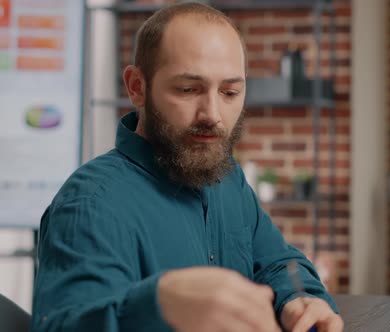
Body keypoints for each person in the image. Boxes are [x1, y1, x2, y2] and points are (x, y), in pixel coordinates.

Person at [31, 3, 343, 332]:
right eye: (188, 89)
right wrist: (160, 303)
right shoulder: (90, 205)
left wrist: (300, 298)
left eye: (230, 92)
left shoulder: (227, 178)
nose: (213, 113)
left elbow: (277, 262)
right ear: (137, 86)